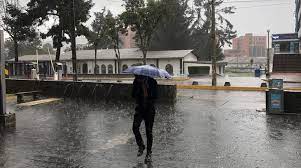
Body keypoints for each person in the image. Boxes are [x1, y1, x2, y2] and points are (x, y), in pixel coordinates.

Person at [132, 75, 158, 163]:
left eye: (138, 76)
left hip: (149, 109)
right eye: (135, 76)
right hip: (140, 109)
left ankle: (148, 153)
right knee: (135, 127)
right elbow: (132, 95)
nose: (136, 78)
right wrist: (139, 89)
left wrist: (147, 90)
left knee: (149, 131)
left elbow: (155, 96)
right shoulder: (136, 81)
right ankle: (141, 145)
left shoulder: (152, 81)